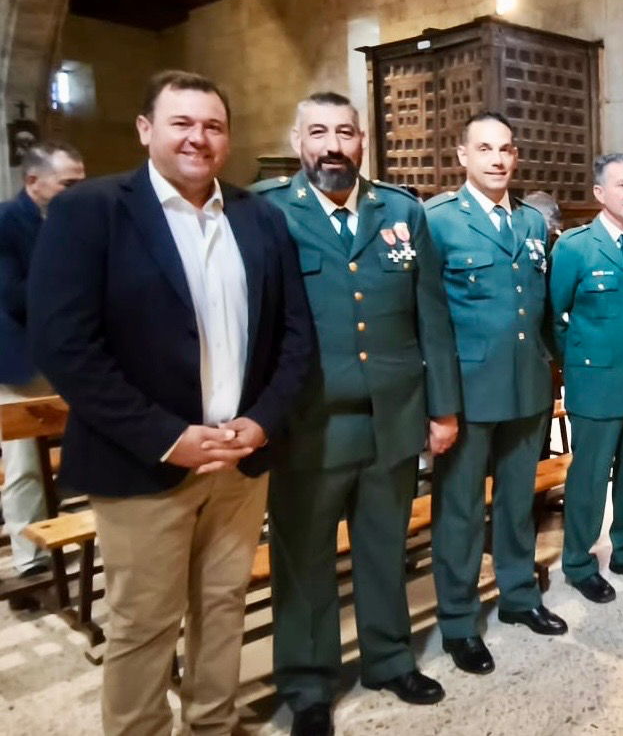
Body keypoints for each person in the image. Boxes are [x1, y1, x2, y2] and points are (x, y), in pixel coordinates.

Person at [26, 71, 315, 736]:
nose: (198, 137)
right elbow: (67, 345)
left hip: (240, 458)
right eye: (181, 122)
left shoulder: (258, 216)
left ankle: (214, 721)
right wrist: (165, 434)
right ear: (145, 129)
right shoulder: (91, 212)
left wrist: (261, 421)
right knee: (143, 623)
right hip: (145, 462)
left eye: (213, 125)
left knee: (223, 605)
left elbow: (295, 334)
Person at [253, 92, 460, 736]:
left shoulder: (400, 211)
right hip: (308, 423)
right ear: (298, 142)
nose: (333, 145)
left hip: (393, 416)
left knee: (382, 546)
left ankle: (389, 657)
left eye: (345, 132)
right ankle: (310, 685)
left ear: (363, 140)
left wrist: (443, 408)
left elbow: (431, 314)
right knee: (306, 557)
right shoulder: (266, 213)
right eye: (319, 132)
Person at [424, 113, 566, 677]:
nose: (497, 159)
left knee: (516, 504)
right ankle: (458, 621)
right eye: (484, 149)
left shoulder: (532, 222)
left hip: (527, 384)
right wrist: (439, 404)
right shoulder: (438, 221)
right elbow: (428, 319)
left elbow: (540, 308)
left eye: (505, 149)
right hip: (467, 392)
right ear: (463, 156)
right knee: (459, 512)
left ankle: (518, 597)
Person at [548, 153, 623, 603]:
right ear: (600, 193)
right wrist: (580, 364)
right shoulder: (575, 247)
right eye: (622, 185)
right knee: (591, 478)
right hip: (595, 386)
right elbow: (555, 317)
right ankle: (578, 562)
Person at [1, 141, 84, 600]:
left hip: (68, 354)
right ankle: (29, 555)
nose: (78, 190)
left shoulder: (68, 222)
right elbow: (11, 296)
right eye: (68, 182)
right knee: (25, 464)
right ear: (34, 182)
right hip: (21, 361)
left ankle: (73, 528)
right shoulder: (6, 223)